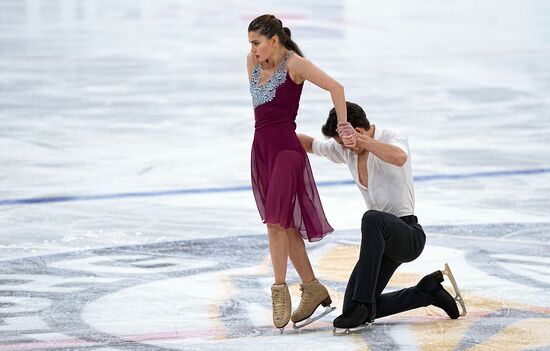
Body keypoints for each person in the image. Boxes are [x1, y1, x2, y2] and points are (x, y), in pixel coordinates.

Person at [297, 101, 465, 331]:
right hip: (382, 245)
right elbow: (312, 145)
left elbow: (399, 157)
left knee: (372, 218)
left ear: (357, 131)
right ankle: (426, 292)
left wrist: (363, 141)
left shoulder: (391, 136)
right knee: (351, 309)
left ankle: (364, 304)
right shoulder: (346, 150)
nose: (344, 148)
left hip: (407, 234)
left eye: (345, 141)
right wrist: (274, 131)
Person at [246, 14, 355, 331]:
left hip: (287, 153)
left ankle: (279, 290)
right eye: (250, 44)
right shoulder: (251, 63)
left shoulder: (295, 65)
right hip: (262, 152)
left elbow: (336, 87)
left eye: (257, 43)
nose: (253, 49)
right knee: (286, 226)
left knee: (275, 223)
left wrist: (344, 126)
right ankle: (313, 287)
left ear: (274, 41)